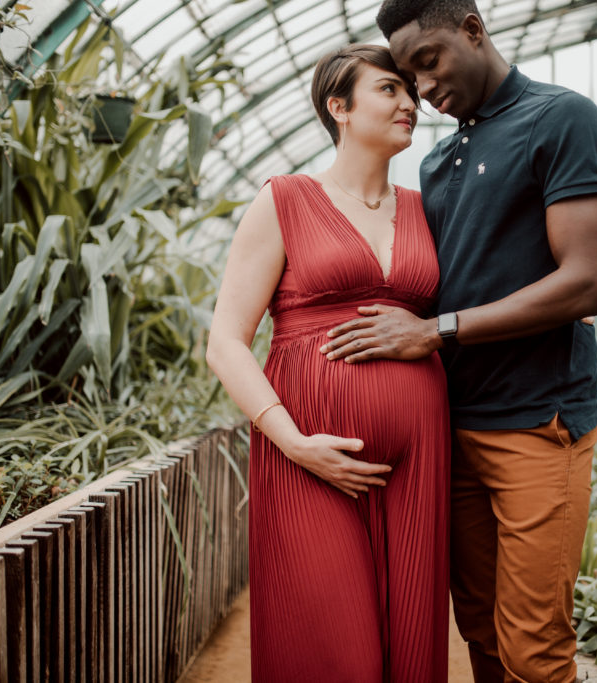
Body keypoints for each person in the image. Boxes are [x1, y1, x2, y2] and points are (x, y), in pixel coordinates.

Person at [320, 3, 597, 681]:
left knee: (535, 649)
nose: (420, 88)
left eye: (428, 62)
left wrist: (436, 331)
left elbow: (587, 283)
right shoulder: (438, 159)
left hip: (536, 421)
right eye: (405, 76)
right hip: (451, 433)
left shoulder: (561, 119)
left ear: (473, 32)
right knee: (480, 631)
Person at [205, 45, 449, 683]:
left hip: (419, 458)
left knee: (411, 650)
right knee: (340, 658)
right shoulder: (285, 200)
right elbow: (226, 341)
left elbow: (457, 316)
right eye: (390, 90)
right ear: (338, 107)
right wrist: (293, 443)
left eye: (411, 92)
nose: (410, 103)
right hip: (309, 455)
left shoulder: (428, 210)